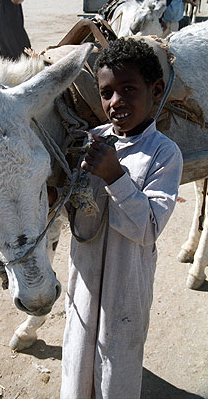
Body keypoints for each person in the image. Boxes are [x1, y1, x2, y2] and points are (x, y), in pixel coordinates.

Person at [57, 38, 183, 398]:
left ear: (155, 91)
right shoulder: (91, 140)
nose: (116, 102)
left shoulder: (164, 154)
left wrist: (116, 177)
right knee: (78, 360)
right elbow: (79, 213)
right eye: (107, 93)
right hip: (84, 278)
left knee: (117, 367)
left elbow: (148, 230)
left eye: (128, 89)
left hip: (127, 285)